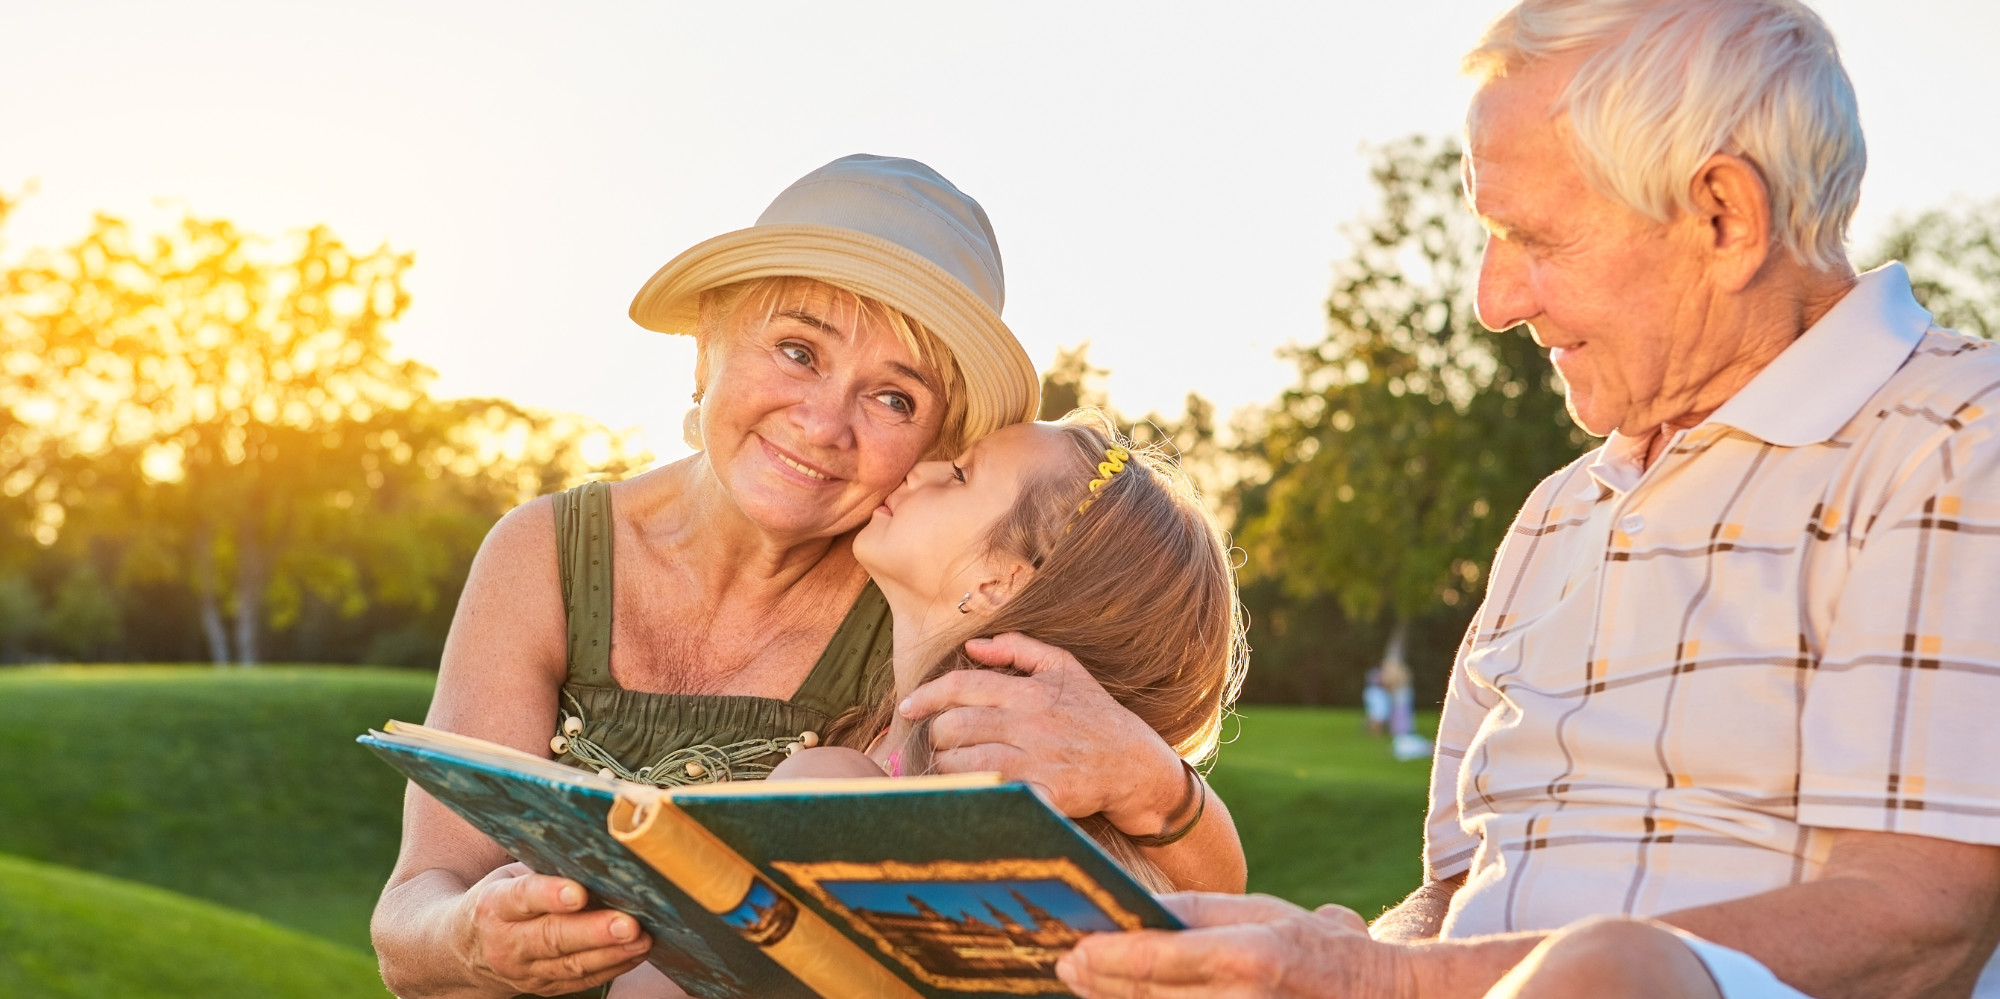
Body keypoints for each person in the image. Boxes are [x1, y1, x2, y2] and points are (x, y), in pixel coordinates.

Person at [1051, 2, 2000, 997]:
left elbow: (1914, 920)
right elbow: (1446, 900)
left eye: (1531, 238)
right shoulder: (1556, 513)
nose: (1492, 300)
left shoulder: (1956, 438)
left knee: (1610, 967)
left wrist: (1374, 980)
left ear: (1723, 216)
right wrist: (1318, 963)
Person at [369, 155, 1247, 999]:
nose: (825, 423)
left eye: (894, 397)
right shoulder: (541, 556)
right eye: (797, 350)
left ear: (934, 441)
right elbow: (413, 923)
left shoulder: (925, 616)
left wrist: (1148, 776)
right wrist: (470, 939)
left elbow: (1184, 884)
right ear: (708, 348)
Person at [771, 411, 1247, 893]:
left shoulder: (834, 784)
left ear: (999, 581)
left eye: (960, 474)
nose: (919, 468)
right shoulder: (877, 740)